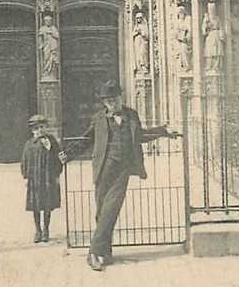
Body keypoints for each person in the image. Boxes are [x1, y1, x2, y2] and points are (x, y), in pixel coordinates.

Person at [75, 79, 179, 272]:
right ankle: (105, 250)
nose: (112, 103)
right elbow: (86, 139)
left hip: (122, 168)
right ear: (104, 103)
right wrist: (67, 154)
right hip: (103, 167)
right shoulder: (99, 118)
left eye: (114, 99)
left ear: (120, 98)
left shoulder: (131, 115)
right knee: (101, 210)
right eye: (108, 100)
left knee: (111, 208)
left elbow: (140, 136)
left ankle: (93, 253)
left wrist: (163, 131)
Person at [20, 114, 66, 244]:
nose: (40, 130)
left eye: (42, 127)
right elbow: (25, 162)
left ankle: (46, 229)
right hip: (35, 178)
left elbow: (59, 159)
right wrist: (26, 177)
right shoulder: (29, 145)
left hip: (48, 177)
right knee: (36, 204)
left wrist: (57, 174)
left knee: (47, 203)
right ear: (32, 130)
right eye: (36, 128)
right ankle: (37, 230)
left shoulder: (52, 142)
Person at [39, 13, 60, 78]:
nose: (48, 22)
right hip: (46, 46)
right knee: (46, 58)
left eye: (49, 21)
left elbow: (57, 36)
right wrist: (41, 44)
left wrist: (51, 33)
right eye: (46, 21)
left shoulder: (53, 28)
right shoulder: (42, 28)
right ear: (44, 21)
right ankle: (45, 72)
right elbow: (40, 37)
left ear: (52, 21)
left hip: (52, 47)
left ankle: (51, 73)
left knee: (52, 58)